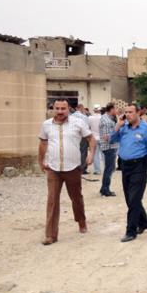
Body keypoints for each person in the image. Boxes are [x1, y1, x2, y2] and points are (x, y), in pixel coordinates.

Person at [37, 99, 95, 245]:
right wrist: (41, 161)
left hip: (73, 168)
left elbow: (90, 139)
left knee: (76, 198)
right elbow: (43, 143)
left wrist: (91, 154)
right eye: (57, 108)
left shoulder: (78, 123)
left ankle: (81, 220)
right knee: (52, 200)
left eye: (63, 108)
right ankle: (51, 235)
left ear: (69, 109)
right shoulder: (46, 125)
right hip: (53, 168)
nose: (60, 111)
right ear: (53, 108)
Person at [109, 103, 147, 242]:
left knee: (134, 199)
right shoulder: (123, 127)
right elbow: (111, 140)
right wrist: (117, 126)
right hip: (125, 166)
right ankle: (144, 222)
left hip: (139, 166)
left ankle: (131, 231)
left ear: (138, 113)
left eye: (130, 112)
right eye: (126, 112)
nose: (127, 114)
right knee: (130, 199)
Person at [98, 103, 118, 197]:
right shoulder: (106, 121)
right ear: (112, 109)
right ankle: (105, 190)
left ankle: (104, 188)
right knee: (109, 169)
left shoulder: (107, 118)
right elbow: (107, 138)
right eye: (115, 109)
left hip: (110, 147)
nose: (116, 111)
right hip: (109, 147)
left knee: (110, 168)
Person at [72, 104, 90, 174]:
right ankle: (82, 168)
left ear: (76, 108)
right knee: (83, 152)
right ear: (82, 108)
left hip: (73, 136)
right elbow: (87, 127)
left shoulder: (71, 116)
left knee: (74, 151)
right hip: (82, 136)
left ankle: (74, 168)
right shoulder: (84, 117)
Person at [88, 106, 102, 174]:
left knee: (95, 154)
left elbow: (88, 127)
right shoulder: (103, 117)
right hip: (102, 137)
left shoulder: (90, 118)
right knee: (104, 154)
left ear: (94, 110)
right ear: (100, 110)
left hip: (94, 138)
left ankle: (97, 170)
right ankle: (107, 169)